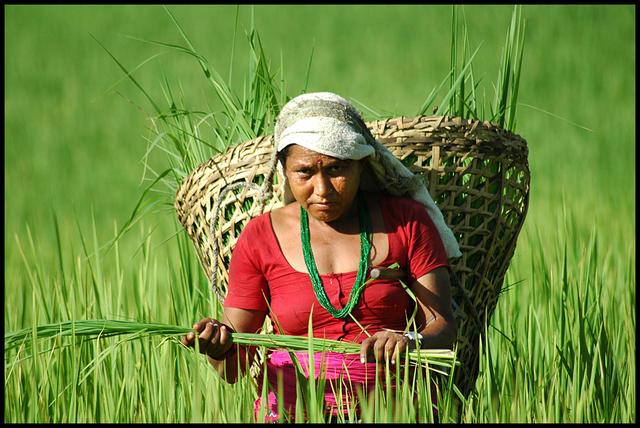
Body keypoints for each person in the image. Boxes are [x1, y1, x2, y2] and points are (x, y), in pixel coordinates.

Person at [181, 92, 461, 422]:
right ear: (284, 171)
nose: (323, 189)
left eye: (336, 169)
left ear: (362, 166)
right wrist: (218, 346)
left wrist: (407, 341)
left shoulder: (407, 222)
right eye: (304, 173)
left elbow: (443, 326)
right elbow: (233, 368)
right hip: (291, 411)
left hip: (393, 411)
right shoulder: (260, 237)